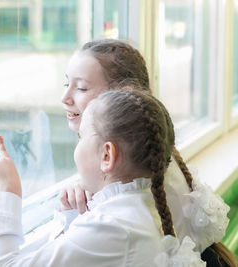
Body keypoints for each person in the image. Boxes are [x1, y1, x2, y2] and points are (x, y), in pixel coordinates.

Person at [0, 89, 209, 266]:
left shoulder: (114, 227)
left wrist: (7, 189)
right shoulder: (137, 206)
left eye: (81, 137)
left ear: (107, 155)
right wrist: (71, 216)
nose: (77, 145)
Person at [58, 39, 235, 266]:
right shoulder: (149, 160)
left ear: (124, 95)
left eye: (81, 88)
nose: (65, 98)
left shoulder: (133, 190)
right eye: (66, 84)